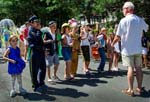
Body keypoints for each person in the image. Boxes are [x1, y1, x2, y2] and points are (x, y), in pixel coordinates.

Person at [111, 2, 148, 96]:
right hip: (138, 48)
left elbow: (118, 36)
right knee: (139, 68)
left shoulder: (124, 20)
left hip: (127, 49)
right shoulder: (139, 19)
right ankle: (139, 88)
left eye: (123, 9)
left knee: (130, 68)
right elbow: (146, 28)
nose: (123, 11)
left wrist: (112, 44)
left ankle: (130, 90)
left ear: (127, 9)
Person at [27, 15, 47, 91]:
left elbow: (41, 42)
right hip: (35, 54)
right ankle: (35, 86)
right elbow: (32, 45)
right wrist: (39, 31)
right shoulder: (30, 32)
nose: (37, 23)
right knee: (34, 71)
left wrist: (44, 49)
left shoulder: (38, 31)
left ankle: (41, 83)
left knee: (43, 68)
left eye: (38, 22)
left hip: (41, 53)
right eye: (36, 22)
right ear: (31, 23)